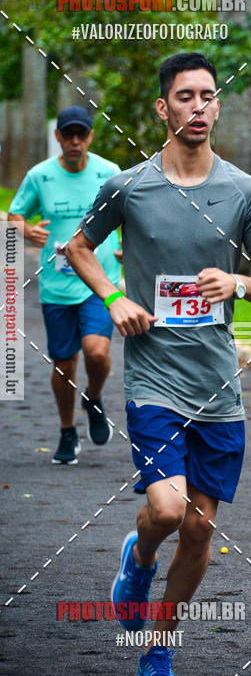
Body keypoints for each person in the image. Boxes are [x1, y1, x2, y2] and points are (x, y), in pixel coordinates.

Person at [66, 52, 251, 676]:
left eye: (208, 97)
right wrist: (113, 297)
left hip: (217, 384)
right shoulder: (130, 187)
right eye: (184, 97)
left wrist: (237, 280)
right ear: (163, 109)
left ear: (218, 106)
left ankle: (158, 650)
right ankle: (137, 559)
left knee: (201, 527)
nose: (198, 107)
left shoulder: (245, 191)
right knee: (166, 509)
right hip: (154, 379)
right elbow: (76, 246)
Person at [8, 106, 121, 464]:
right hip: (57, 285)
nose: (75, 141)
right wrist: (26, 230)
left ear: (90, 136)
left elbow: (131, 214)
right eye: (68, 135)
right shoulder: (40, 176)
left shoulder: (110, 174)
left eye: (81, 134)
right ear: (57, 136)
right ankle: (67, 430)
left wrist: (125, 246)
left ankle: (95, 396)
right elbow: (16, 212)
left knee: (97, 351)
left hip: (100, 282)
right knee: (64, 364)